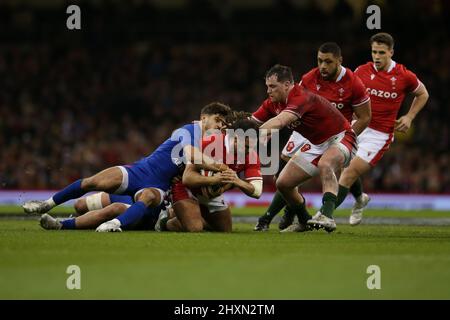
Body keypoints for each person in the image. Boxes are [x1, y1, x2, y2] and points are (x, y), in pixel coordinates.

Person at [23, 102, 231, 232]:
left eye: (224, 124)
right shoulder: (187, 130)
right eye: (218, 120)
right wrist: (218, 166)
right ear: (203, 118)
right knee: (94, 182)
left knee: (146, 198)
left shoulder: (209, 145)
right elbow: (189, 153)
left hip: (159, 186)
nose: (221, 126)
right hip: (141, 171)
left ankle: (108, 225)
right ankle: (46, 204)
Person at [254, 42, 371, 231]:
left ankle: (327, 215)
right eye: (319, 61)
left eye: (328, 61)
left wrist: (346, 145)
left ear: (339, 61)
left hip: (340, 135)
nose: (322, 66)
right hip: (311, 136)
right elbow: (260, 119)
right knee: (283, 183)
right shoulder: (308, 79)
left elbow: (365, 117)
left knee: (327, 163)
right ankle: (302, 218)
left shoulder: (353, 82)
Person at [330, 32, 429, 225]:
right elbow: (349, 95)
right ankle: (360, 200)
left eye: (382, 52)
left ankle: (325, 214)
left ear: (391, 52)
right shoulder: (361, 71)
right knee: (342, 168)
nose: (377, 56)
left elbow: (423, 94)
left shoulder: (403, 75)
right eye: (374, 51)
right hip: (357, 126)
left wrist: (409, 116)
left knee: (348, 173)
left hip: (379, 134)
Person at [157, 118, 263, 232]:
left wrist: (237, 181)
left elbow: (257, 191)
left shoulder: (251, 155)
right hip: (187, 189)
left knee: (225, 230)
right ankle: (166, 221)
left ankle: (189, 215)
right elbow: (187, 178)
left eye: (252, 146)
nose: (249, 151)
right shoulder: (208, 143)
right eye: (247, 147)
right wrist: (213, 180)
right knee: (195, 228)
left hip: (211, 194)